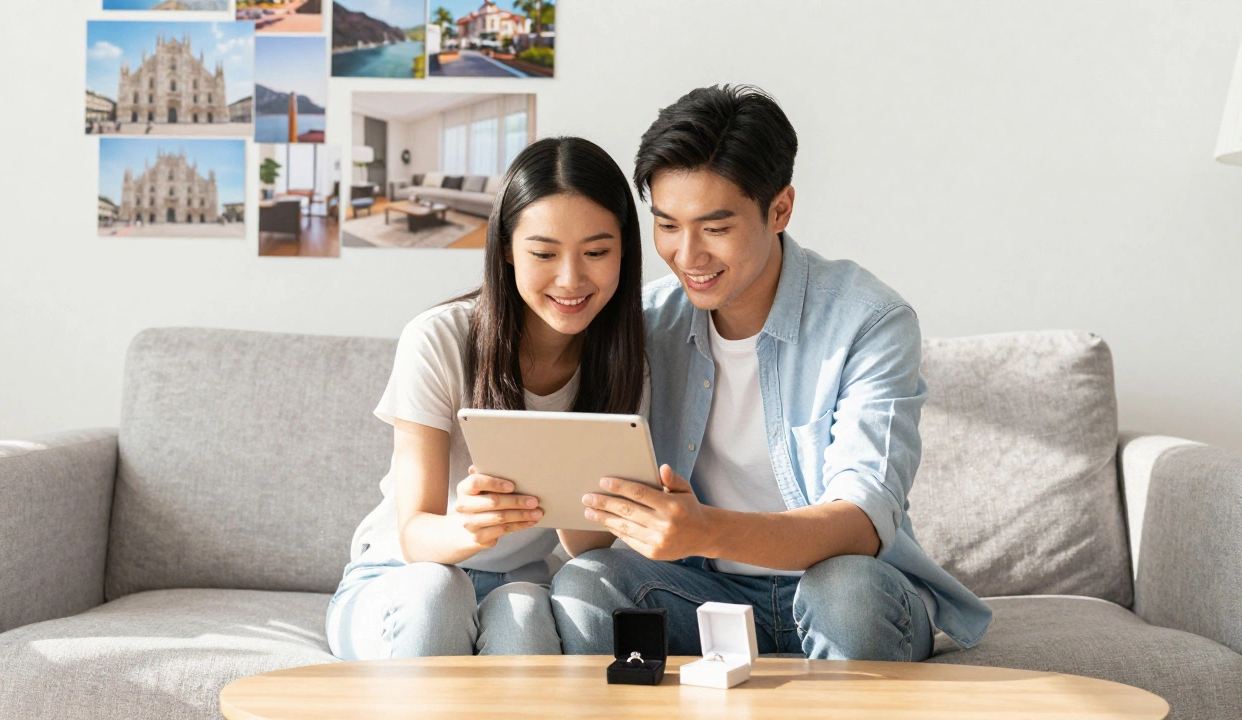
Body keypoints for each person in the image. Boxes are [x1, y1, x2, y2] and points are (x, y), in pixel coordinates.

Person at [551, 85, 993, 661]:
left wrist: (704, 527)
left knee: (847, 591)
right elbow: (592, 533)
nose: (688, 255)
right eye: (667, 225)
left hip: (837, 589)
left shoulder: (869, 320)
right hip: (706, 595)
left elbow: (862, 520)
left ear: (779, 209)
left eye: (715, 227)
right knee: (585, 581)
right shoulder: (644, 324)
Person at [326, 136, 647, 658]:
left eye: (596, 252)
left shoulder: (631, 361)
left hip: (520, 582)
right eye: (543, 253)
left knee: (523, 615)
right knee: (439, 593)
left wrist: (573, 488)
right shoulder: (438, 339)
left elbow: (591, 547)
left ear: (624, 251)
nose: (571, 278)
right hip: (399, 577)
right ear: (505, 248)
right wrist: (471, 526)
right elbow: (415, 536)